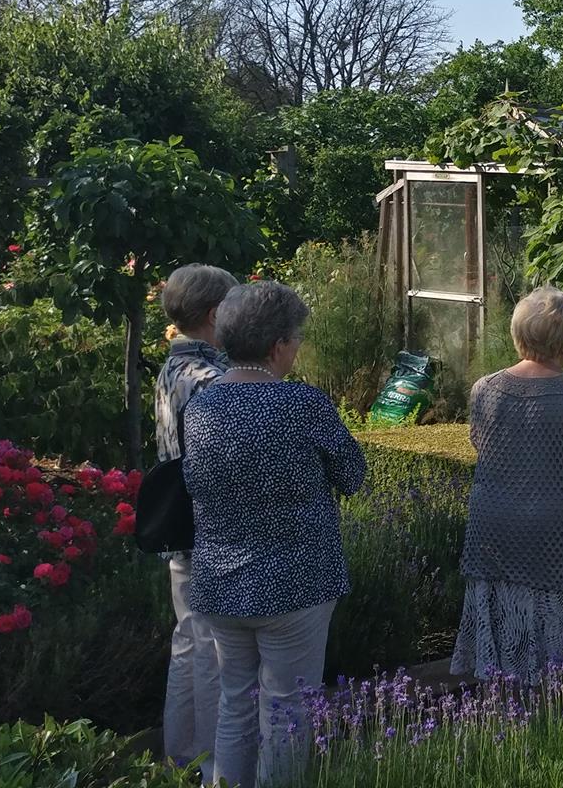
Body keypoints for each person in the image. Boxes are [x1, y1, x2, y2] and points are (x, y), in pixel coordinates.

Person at [185, 281, 366, 787]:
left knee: (234, 704)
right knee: (288, 710)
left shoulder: (201, 407)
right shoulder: (303, 405)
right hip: (296, 582)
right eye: (296, 337)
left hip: (220, 580)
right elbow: (352, 474)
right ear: (277, 345)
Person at [451, 287, 563, 681]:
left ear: (517, 334)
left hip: (492, 536)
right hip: (555, 542)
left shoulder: (484, 389)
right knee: (556, 674)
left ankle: (499, 727)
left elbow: (485, 447)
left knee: (498, 668)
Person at [153, 263, 236, 772]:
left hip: (180, 530)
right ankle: (211, 766)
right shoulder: (213, 379)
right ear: (213, 314)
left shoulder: (172, 367)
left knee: (188, 642)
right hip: (211, 532)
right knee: (212, 652)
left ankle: (179, 757)